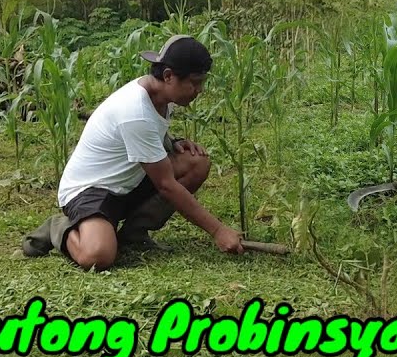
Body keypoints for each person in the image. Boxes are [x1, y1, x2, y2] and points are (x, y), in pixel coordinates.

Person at [17, 35, 245, 270]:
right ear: (168, 76)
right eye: (195, 82)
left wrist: (170, 141)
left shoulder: (159, 95)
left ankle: (134, 234)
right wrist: (218, 230)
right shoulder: (135, 109)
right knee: (98, 256)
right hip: (90, 190)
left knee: (195, 163)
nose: (199, 90)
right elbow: (166, 184)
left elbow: (148, 130)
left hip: (127, 182)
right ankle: (60, 229)